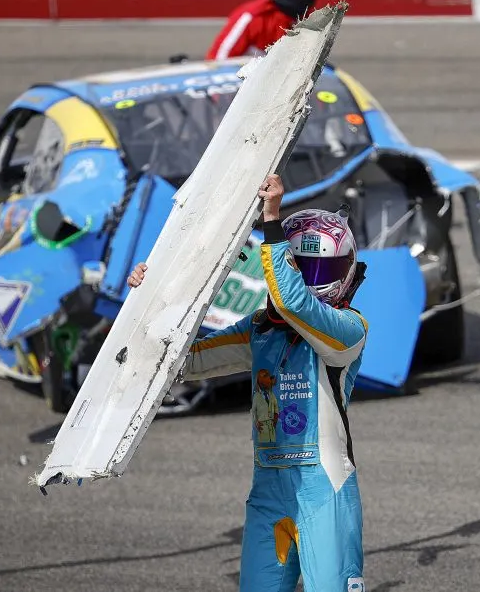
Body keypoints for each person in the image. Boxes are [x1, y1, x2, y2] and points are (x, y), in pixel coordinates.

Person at [127, 173, 369, 590]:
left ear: (346, 269)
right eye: (301, 266)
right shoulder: (260, 329)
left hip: (324, 490)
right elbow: (182, 363)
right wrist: (148, 300)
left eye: (320, 268)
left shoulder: (350, 329)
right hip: (268, 490)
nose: (311, 278)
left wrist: (271, 219)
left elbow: (294, 304)